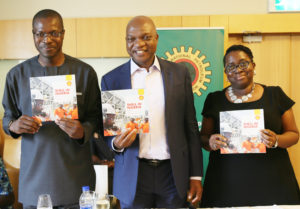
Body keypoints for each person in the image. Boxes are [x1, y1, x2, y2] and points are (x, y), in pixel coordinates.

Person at [2, 9, 101, 208]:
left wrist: (83, 130)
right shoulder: (17, 75)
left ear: (63, 34)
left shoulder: (84, 72)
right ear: (34, 35)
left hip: (76, 177)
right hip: (34, 177)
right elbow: (7, 119)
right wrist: (14, 125)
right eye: (40, 34)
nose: (47, 39)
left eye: (54, 33)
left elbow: (96, 117)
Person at [101, 16, 203, 209]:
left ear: (156, 38)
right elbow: (106, 131)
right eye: (131, 39)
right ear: (126, 42)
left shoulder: (179, 74)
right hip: (133, 175)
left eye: (146, 37)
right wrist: (116, 143)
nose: (138, 44)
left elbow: (190, 127)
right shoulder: (111, 80)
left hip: (172, 174)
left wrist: (195, 175)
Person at [200, 44, 300, 207]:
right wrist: (210, 141)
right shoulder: (214, 99)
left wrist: (276, 140)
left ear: (253, 65)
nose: (238, 69)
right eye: (231, 66)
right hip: (226, 184)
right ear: (226, 72)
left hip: (273, 182)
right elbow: (203, 138)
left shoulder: (275, 95)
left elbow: (293, 134)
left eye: (243, 63)